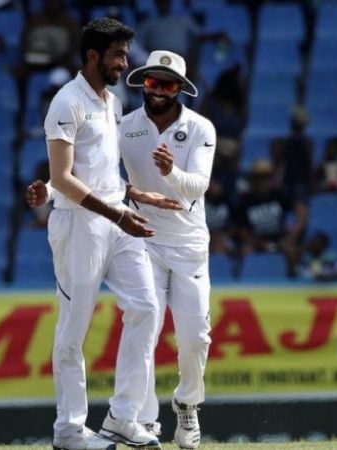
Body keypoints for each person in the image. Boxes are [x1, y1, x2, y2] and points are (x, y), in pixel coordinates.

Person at [28, 49, 215, 449]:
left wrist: (171, 174)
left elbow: (198, 188)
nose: (159, 91)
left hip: (187, 241)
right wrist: (47, 188)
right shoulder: (124, 122)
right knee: (146, 317)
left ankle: (186, 402)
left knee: (195, 337)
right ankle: (137, 419)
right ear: (143, 82)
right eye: (152, 82)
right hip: (138, 232)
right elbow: (90, 171)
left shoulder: (200, 128)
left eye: (167, 85)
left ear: (180, 89)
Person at [30, 18, 163, 450]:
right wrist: (56, 189)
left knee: (146, 307)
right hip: (79, 226)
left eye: (125, 54)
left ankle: (123, 417)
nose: (125, 63)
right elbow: (66, 179)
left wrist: (134, 199)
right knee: (74, 328)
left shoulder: (112, 102)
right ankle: (69, 430)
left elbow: (99, 171)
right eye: (117, 55)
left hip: (114, 218)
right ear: (92, 55)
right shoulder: (66, 102)